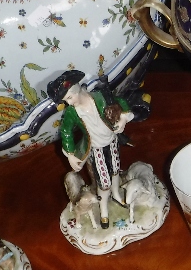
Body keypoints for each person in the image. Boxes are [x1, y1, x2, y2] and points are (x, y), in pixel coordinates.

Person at [48, 70, 134, 229]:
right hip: (96, 148)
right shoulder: (73, 112)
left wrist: (122, 118)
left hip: (112, 141)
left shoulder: (99, 97)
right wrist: (70, 155)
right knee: (104, 181)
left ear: (76, 90)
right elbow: (66, 131)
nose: (68, 102)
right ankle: (104, 210)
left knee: (115, 170)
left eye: (69, 97)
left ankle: (115, 194)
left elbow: (121, 101)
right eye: (65, 100)